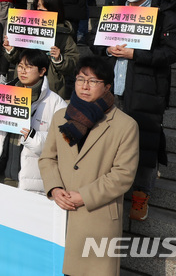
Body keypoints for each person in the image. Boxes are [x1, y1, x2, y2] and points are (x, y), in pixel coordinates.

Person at [95, 0, 176, 221]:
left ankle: (140, 194)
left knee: (144, 142)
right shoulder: (116, 9)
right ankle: (109, 191)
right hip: (113, 86)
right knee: (109, 143)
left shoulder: (164, 10)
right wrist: (106, 50)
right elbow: (96, 40)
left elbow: (174, 51)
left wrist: (136, 54)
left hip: (146, 87)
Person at [39, 56, 139, 276]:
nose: (85, 86)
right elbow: (48, 158)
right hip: (61, 211)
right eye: (80, 79)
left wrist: (84, 196)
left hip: (97, 215)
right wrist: (54, 188)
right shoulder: (60, 117)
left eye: (93, 81)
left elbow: (123, 175)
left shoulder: (125, 125)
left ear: (107, 87)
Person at [0, 49, 67, 192]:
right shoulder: (4, 93)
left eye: (29, 67)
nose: (23, 71)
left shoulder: (55, 103)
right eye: (20, 66)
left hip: (30, 182)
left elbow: (60, 144)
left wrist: (32, 135)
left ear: (42, 71)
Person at [4, 0, 79, 100]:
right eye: (37, 7)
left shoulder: (63, 34)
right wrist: (11, 50)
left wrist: (59, 59)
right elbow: (16, 58)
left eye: (44, 7)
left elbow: (73, 61)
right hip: (23, 85)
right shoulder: (25, 29)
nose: (40, 10)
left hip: (50, 85)